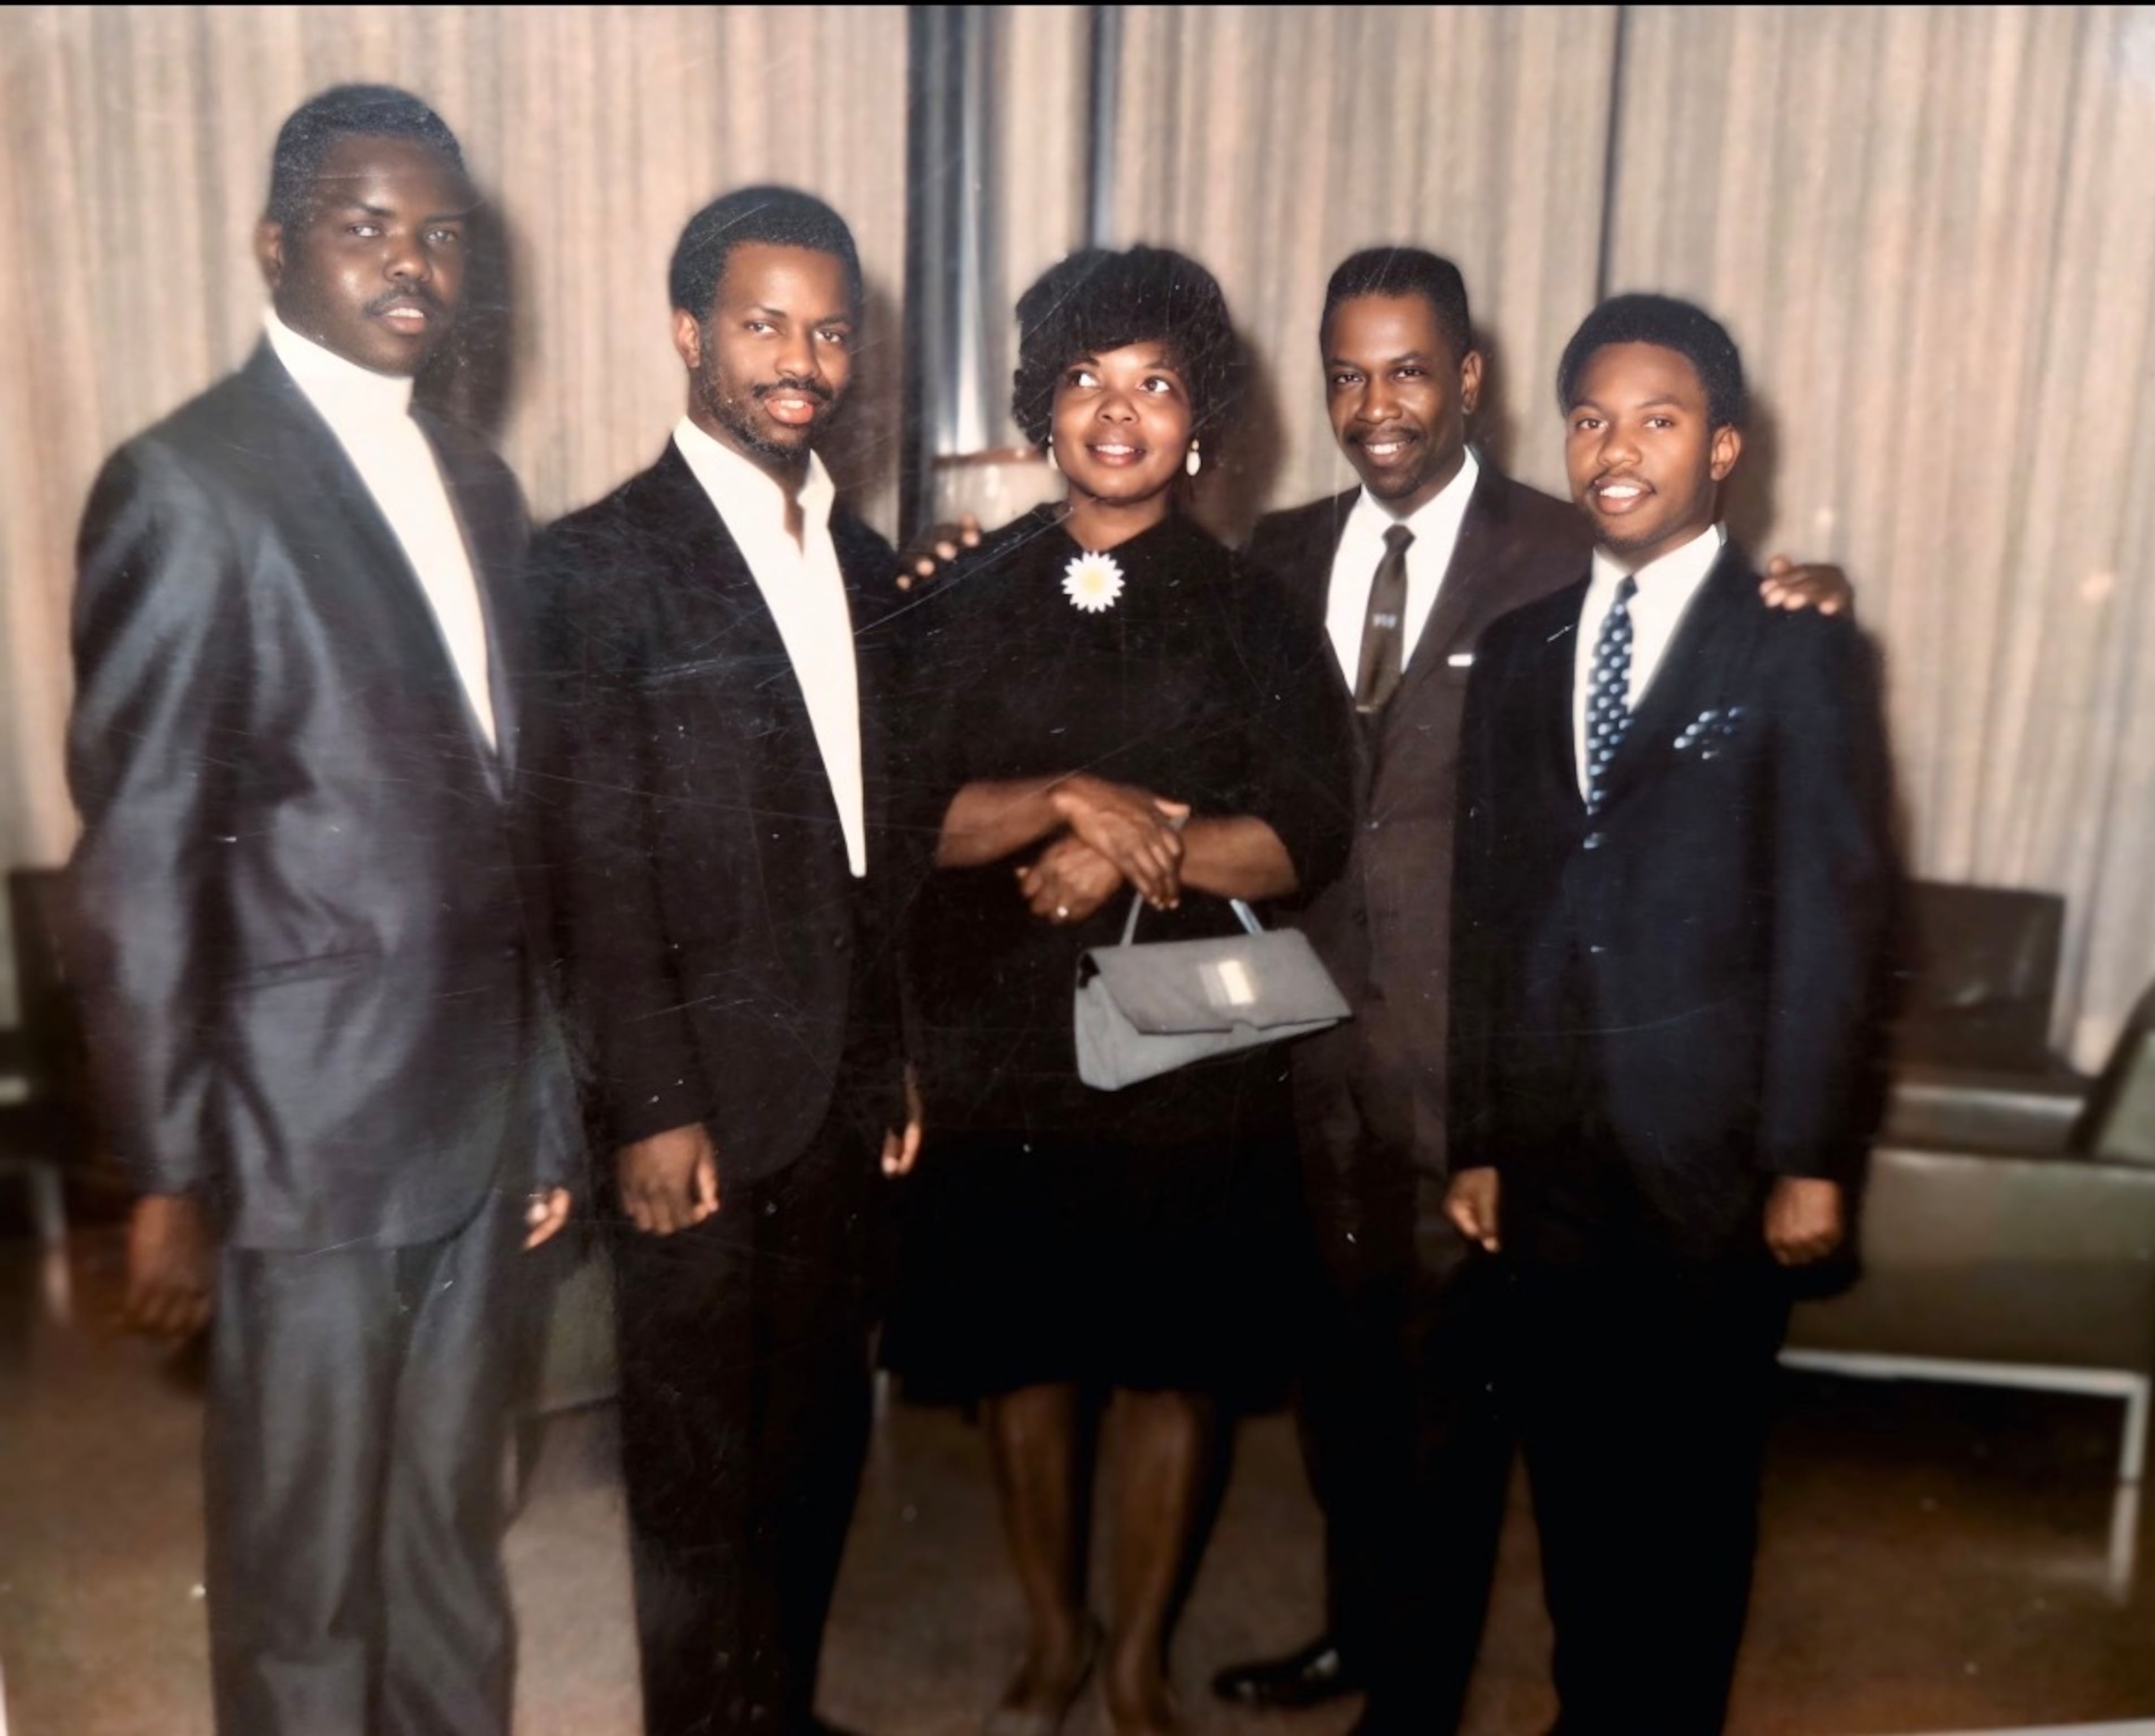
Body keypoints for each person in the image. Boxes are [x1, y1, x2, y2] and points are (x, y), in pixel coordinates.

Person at [1214, 248, 1853, 1734]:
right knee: (1348, 1394)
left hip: (1506, 1071)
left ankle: (1428, 1691)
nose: (1378, 404)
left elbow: (1713, 662)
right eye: (1349, 375)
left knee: (1489, 1422)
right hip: (1313, 1052)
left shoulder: (1573, 538)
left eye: (1409, 370)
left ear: (1471, 379)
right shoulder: (1273, 552)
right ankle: (1367, 1640)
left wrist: (1808, 591)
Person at [63, 84, 576, 1735]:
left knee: (451, 1539)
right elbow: (141, 862)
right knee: (305, 1577)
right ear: (275, 245)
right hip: (302, 1141)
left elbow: (514, 832)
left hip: (477, 1125)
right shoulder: (189, 487)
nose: (411, 264)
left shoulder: (480, 484)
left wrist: (545, 1108)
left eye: (441, 235)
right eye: (366, 227)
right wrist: (164, 1174)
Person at [883, 245, 1355, 1736]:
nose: (1117, 412)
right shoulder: (963, 591)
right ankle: (1054, 1634)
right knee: (1025, 1359)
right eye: (1085, 380)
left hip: (1188, 1034)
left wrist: (1134, 845)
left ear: (1200, 418)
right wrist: (1060, 800)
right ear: (1042, 406)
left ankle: (1140, 1656)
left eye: (1155, 384)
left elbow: (1302, 836)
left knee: (1171, 1367)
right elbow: (907, 818)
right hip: (1000, 1034)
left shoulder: (1255, 610)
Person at [1445, 293, 1895, 1733]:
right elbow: (1486, 911)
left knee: (1692, 1497)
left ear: (1724, 449)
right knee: (1574, 1482)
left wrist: (1810, 1156)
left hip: (1713, 1159)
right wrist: (1478, 1135)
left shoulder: (1794, 645)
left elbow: (1831, 911)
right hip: (1553, 1152)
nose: (1617, 449)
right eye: (1590, 419)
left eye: (1658, 419)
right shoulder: (1521, 650)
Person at [528, 185, 917, 1736]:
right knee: (695, 1466)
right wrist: (651, 1104)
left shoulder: (870, 561)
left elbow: (874, 841)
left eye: (830, 332)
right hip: (692, 1102)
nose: (801, 362)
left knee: (816, 1438)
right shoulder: (595, 563)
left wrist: (893, 1056)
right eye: (764, 325)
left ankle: (784, 1711)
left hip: (839, 1096)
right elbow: (593, 863)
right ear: (690, 333)